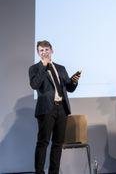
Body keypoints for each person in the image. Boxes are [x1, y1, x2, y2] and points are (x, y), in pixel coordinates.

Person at [29, 40, 81, 174]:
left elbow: (69, 88)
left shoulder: (61, 68)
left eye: (46, 49)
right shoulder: (34, 68)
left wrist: (74, 81)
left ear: (52, 51)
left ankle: (54, 172)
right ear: (38, 53)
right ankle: (39, 172)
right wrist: (44, 66)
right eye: (41, 50)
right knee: (43, 143)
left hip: (62, 109)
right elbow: (35, 85)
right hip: (46, 109)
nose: (44, 52)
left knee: (58, 144)